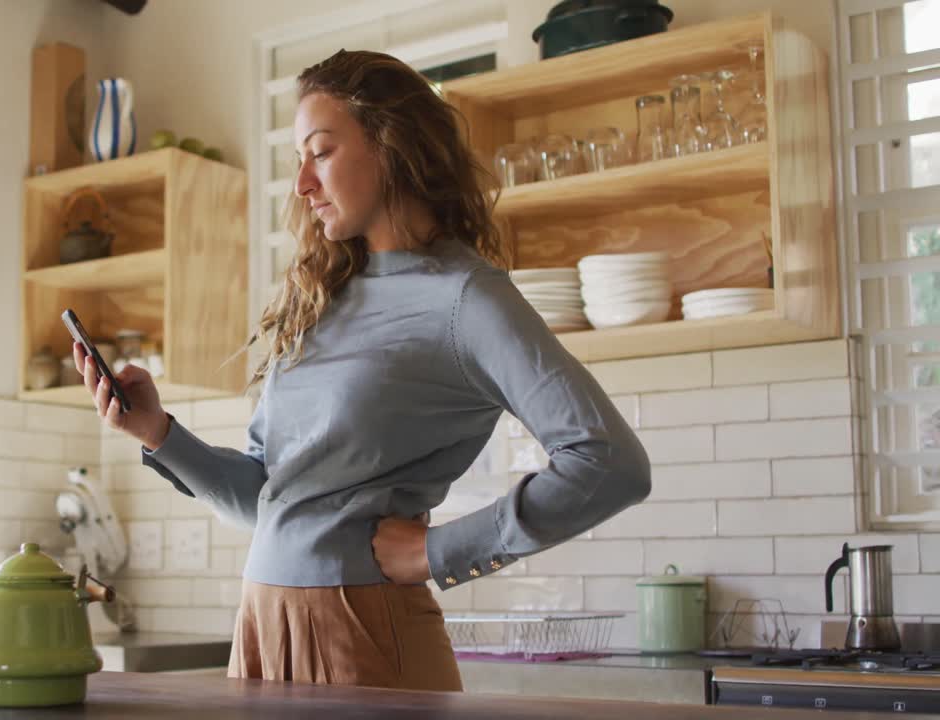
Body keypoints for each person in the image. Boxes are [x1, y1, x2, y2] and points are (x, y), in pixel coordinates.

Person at [72, 49, 651, 692]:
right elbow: (271, 503)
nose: (302, 184)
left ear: (391, 146)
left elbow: (610, 462)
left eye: (320, 152)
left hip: (366, 631)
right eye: (299, 160)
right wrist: (159, 434)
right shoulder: (322, 294)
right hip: (262, 627)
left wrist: (440, 553)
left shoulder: (467, 298)